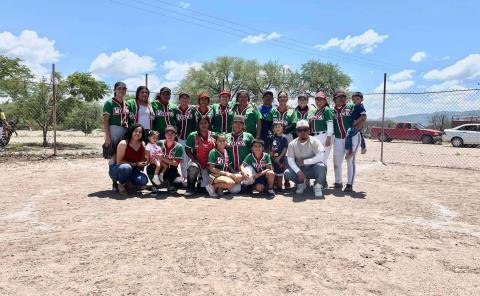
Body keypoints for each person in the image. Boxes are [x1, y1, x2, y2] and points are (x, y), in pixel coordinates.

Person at [284, 120, 327, 198]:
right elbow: (290, 160)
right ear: (296, 132)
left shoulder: (315, 141)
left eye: (305, 129)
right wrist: (298, 171)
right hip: (300, 169)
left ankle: (317, 186)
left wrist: (305, 162)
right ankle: (301, 183)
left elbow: (322, 156)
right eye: (300, 130)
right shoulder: (292, 144)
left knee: (322, 167)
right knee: (287, 173)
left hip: (312, 169)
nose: (302, 132)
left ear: (309, 131)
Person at [103, 82, 130, 191]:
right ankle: (114, 182)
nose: (122, 90)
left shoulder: (126, 104)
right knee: (113, 156)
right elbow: (105, 121)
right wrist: (107, 136)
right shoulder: (109, 102)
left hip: (125, 129)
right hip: (113, 128)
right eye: (119, 88)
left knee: (123, 155)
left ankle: (123, 181)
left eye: (124, 88)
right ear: (115, 90)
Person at [332, 90, 360, 192]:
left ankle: (349, 184)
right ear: (334, 99)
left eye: (344, 97)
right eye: (339, 97)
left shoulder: (351, 107)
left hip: (351, 138)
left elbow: (362, 117)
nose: (342, 99)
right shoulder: (332, 111)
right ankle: (338, 182)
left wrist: (358, 127)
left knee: (350, 160)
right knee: (337, 161)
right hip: (338, 139)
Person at [109, 123, 149, 195]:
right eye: (136, 131)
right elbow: (119, 162)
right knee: (126, 167)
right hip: (118, 170)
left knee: (143, 180)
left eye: (140, 132)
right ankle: (121, 184)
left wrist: (145, 162)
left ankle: (129, 182)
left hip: (133, 170)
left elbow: (143, 159)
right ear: (131, 131)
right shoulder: (123, 143)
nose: (138, 133)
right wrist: (135, 164)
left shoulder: (142, 144)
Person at [184, 116, 217, 196]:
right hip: (197, 161)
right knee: (192, 167)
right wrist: (193, 159)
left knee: (204, 189)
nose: (203, 125)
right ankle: (190, 188)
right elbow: (187, 149)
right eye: (201, 123)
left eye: (205, 123)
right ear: (198, 124)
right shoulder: (193, 135)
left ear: (208, 124)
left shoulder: (214, 135)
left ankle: (200, 182)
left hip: (209, 163)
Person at [174, 92, 197, 182]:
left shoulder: (192, 110)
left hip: (190, 138)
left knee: (190, 157)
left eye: (186, 98)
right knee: (182, 157)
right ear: (179, 99)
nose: (184, 99)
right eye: (182, 98)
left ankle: (190, 177)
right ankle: (184, 177)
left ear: (189, 99)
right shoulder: (175, 110)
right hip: (180, 137)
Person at [153, 125, 184, 193]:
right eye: (168, 133)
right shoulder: (159, 143)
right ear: (165, 135)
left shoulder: (179, 146)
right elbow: (153, 155)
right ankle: (155, 185)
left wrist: (162, 157)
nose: (170, 135)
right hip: (160, 168)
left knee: (179, 183)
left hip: (172, 169)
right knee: (150, 168)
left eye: (172, 133)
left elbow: (175, 163)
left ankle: (169, 184)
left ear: (175, 135)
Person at [310, 91, 334, 164]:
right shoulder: (317, 110)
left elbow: (330, 124)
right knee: (317, 161)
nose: (318, 101)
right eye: (317, 99)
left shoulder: (326, 110)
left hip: (325, 135)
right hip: (317, 136)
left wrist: (329, 137)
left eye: (321, 99)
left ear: (325, 100)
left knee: (322, 161)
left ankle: (322, 175)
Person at [345, 92, 367, 159]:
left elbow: (363, 116)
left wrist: (357, 122)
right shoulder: (355, 106)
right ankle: (363, 147)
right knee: (361, 135)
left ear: (361, 99)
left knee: (349, 134)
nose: (355, 101)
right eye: (353, 99)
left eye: (357, 99)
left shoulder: (360, 107)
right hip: (355, 124)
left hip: (356, 124)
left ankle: (350, 151)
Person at [268, 120, 288, 191]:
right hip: (273, 157)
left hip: (280, 158)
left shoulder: (284, 138)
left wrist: (279, 158)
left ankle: (280, 186)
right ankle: (274, 186)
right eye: (275, 127)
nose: (277, 128)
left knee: (280, 172)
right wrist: (271, 154)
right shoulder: (271, 137)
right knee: (274, 171)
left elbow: (285, 148)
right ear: (273, 129)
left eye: (279, 127)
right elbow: (270, 147)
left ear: (283, 128)